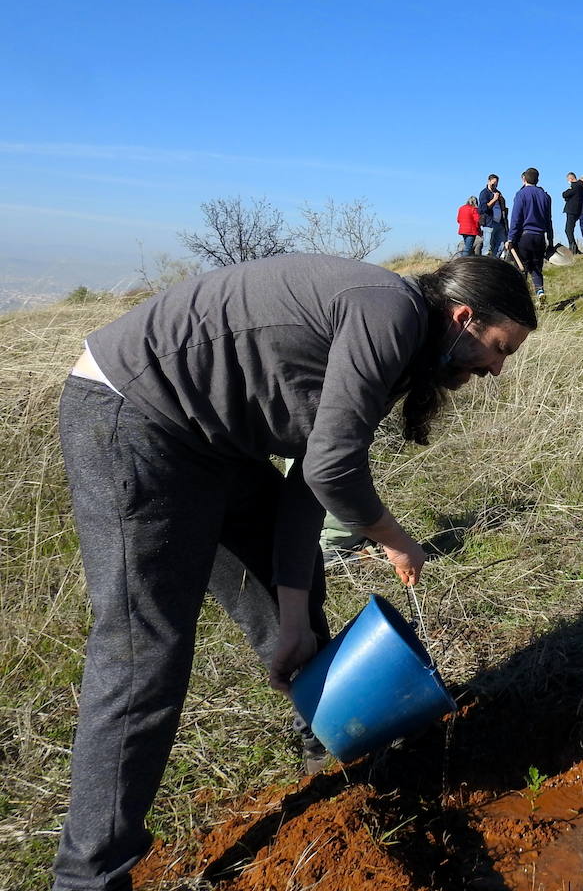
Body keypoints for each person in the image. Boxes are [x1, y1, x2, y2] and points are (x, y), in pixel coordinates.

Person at [52, 254, 536, 891]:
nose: (495, 369)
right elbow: (335, 471)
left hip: (214, 443)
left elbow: (310, 482)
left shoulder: (402, 343)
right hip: (132, 416)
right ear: (463, 318)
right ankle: (88, 878)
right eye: (497, 349)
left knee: (300, 609)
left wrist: (287, 622)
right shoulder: (388, 311)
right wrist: (396, 540)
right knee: (146, 653)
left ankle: (331, 767)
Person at [508, 166, 555, 307]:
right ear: (538, 179)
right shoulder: (545, 196)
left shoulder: (521, 195)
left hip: (524, 237)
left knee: (521, 268)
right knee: (536, 267)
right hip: (540, 237)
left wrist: (511, 237)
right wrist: (550, 240)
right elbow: (549, 219)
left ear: (524, 179)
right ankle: (540, 292)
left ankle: (521, 301)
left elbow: (516, 218)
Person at [478, 174, 509, 257]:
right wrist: (494, 199)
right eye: (493, 183)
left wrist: (501, 200)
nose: (494, 185)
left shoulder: (498, 193)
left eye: (496, 184)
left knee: (501, 245)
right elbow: (483, 209)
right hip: (489, 223)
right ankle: (485, 264)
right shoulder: (484, 193)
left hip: (500, 223)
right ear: (489, 181)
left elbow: (503, 208)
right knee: (487, 246)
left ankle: (495, 261)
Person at [561, 173, 583, 254]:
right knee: (570, 230)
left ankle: (573, 249)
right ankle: (574, 248)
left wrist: (567, 194)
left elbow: (565, 194)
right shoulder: (581, 186)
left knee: (568, 230)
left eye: (568, 180)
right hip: (577, 210)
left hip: (572, 210)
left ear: (571, 178)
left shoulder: (575, 185)